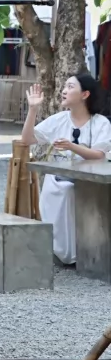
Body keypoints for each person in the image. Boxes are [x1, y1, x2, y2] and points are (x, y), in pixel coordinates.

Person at [21, 76, 111, 266]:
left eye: (70, 87)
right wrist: (33, 109)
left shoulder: (101, 123)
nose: (64, 91)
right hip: (59, 178)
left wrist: (72, 146)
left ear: (85, 94)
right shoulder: (59, 119)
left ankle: (83, 251)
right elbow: (27, 139)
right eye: (64, 86)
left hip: (91, 182)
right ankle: (60, 251)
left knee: (73, 191)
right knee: (60, 187)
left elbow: (98, 155)